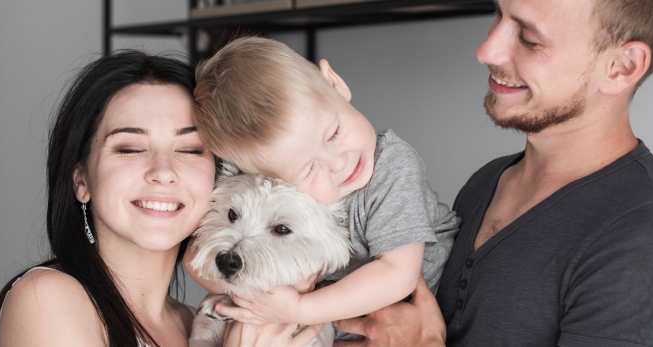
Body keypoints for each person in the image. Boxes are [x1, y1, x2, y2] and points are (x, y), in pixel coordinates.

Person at [334, 0, 653, 346]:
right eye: (498, 12)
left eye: (530, 39)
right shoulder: (490, 179)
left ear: (621, 67)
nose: (486, 50)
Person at [0, 51, 320, 347]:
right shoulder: (47, 298)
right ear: (81, 179)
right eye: (130, 148)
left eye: (189, 149)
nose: (163, 171)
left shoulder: (201, 325)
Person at [187, 37, 460, 328]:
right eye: (308, 168)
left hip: (426, 318)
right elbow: (195, 259)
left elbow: (398, 274)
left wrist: (298, 309)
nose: (338, 163)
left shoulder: (392, 166)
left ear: (334, 84)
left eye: (333, 133)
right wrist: (247, 293)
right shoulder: (290, 190)